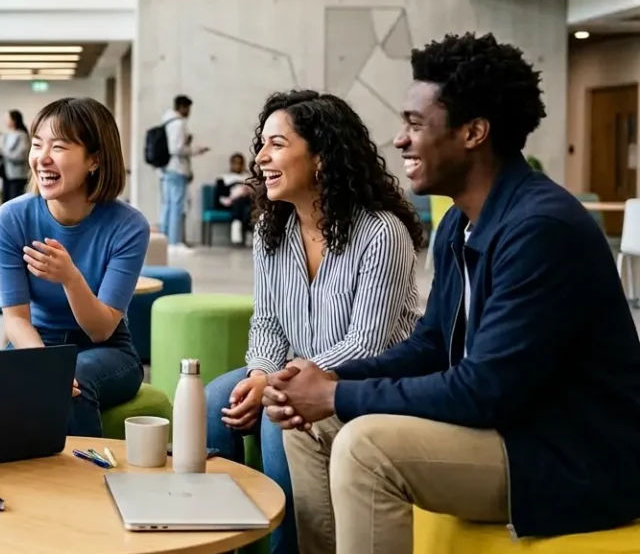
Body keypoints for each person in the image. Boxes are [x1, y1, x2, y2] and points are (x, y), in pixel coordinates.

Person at [263, 33, 640, 553]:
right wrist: (331, 377)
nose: (399, 140)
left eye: (415, 124)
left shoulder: (540, 228)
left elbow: (483, 390)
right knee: (308, 428)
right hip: (512, 430)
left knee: (366, 447)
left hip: (568, 454)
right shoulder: (459, 224)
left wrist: (332, 394)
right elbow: (433, 344)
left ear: (474, 133)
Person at [204, 90, 426, 554]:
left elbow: (367, 345)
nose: (261, 157)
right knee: (214, 402)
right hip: (292, 371)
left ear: (322, 158)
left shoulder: (382, 233)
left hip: (365, 384)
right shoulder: (275, 230)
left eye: (277, 144)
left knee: (277, 417)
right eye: (261, 143)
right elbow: (266, 321)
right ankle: (226, 544)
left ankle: (290, 548)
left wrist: (275, 386)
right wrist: (262, 373)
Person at [0, 96, 149, 438]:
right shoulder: (11, 219)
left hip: (106, 350)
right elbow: (16, 319)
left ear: (94, 160)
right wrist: (44, 365)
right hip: (35, 341)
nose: (42, 158)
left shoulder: (128, 225)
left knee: (68, 386)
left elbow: (102, 329)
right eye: (36, 145)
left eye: (59, 146)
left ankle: (86, 484)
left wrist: (71, 278)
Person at [157, 94, 208, 251]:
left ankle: (164, 241)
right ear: (182, 107)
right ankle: (174, 242)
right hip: (177, 169)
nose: (189, 112)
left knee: (167, 206)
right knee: (177, 207)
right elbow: (177, 148)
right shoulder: (178, 124)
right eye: (188, 108)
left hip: (166, 169)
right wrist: (195, 150)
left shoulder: (166, 122)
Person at [215, 152, 254, 243]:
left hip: (247, 202)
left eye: (240, 163)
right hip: (229, 203)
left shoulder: (248, 177)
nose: (237, 166)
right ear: (231, 164)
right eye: (235, 163)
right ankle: (245, 231)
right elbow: (220, 197)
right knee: (241, 202)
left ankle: (238, 227)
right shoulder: (223, 178)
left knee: (247, 203)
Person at [0, 109, 31, 202]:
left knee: (14, 200)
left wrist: (3, 153)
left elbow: (21, 156)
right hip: (6, 173)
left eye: (7, 118)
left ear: (14, 120)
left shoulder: (22, 135)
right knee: (5, 200)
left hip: (18, 175)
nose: (5, 121)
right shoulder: (6, 135)